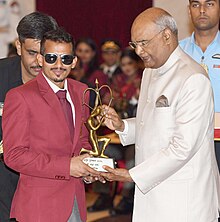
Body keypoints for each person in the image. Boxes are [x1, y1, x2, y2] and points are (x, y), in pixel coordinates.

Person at [100, 7, 220, 222]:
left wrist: (131, 175)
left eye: (143, 43)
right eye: (134, 44)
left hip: (184, 201)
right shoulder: (150, 71)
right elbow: (155, 123)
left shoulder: (192, 78)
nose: (138, 51)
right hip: (153, 195)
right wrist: (122, 126)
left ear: (166, 36)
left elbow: (183, 147)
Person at [2, 27, 101, 222]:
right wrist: (67, 166)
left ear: (73, 61)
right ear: (40, 59)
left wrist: (88, 167)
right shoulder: (20, 96)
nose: (58, 65)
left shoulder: (82, 91)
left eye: (65, 59)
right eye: (51, 58)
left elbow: (82, 141)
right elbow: (14, 156)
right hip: (39, 207)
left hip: (76, 202)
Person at [0, 11, 58, 222]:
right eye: (32, 52)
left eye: (45, 54)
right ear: (18, 47)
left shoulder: (62, 84)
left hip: (42, 183)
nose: (39, 62)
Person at [179, 0, 220, 173]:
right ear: (189, 11)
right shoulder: (177, 51)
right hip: (187, 140)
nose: (202, 10)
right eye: (196, 5)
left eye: (209, 4)